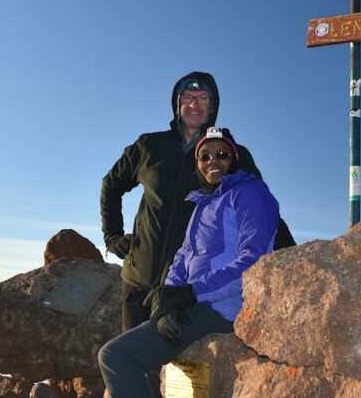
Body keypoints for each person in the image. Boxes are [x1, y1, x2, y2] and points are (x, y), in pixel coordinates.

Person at [98, 126, 280, 397]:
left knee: (115, 356)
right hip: (195, 304)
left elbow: (253, 261)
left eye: (221, 154)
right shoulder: (203, 203)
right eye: (204, 156)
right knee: (144, 369)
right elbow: (183, 257)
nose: (212, 161)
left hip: (224, 307)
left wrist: (190, 293)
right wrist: (166, 299)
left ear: (234, 159)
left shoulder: (250, 193)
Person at [100, 72, 262, 332]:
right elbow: (111, 185)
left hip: (190, 291)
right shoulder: (149, 146)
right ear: (177, 104)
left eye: (202, 98)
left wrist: (286, 259)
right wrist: (112, 236)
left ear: (213, 106)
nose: (194, 104)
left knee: (185, 370)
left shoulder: (231, 155)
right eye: (187, 97)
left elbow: (257, 210)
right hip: (138, 284)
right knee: (134, 362)